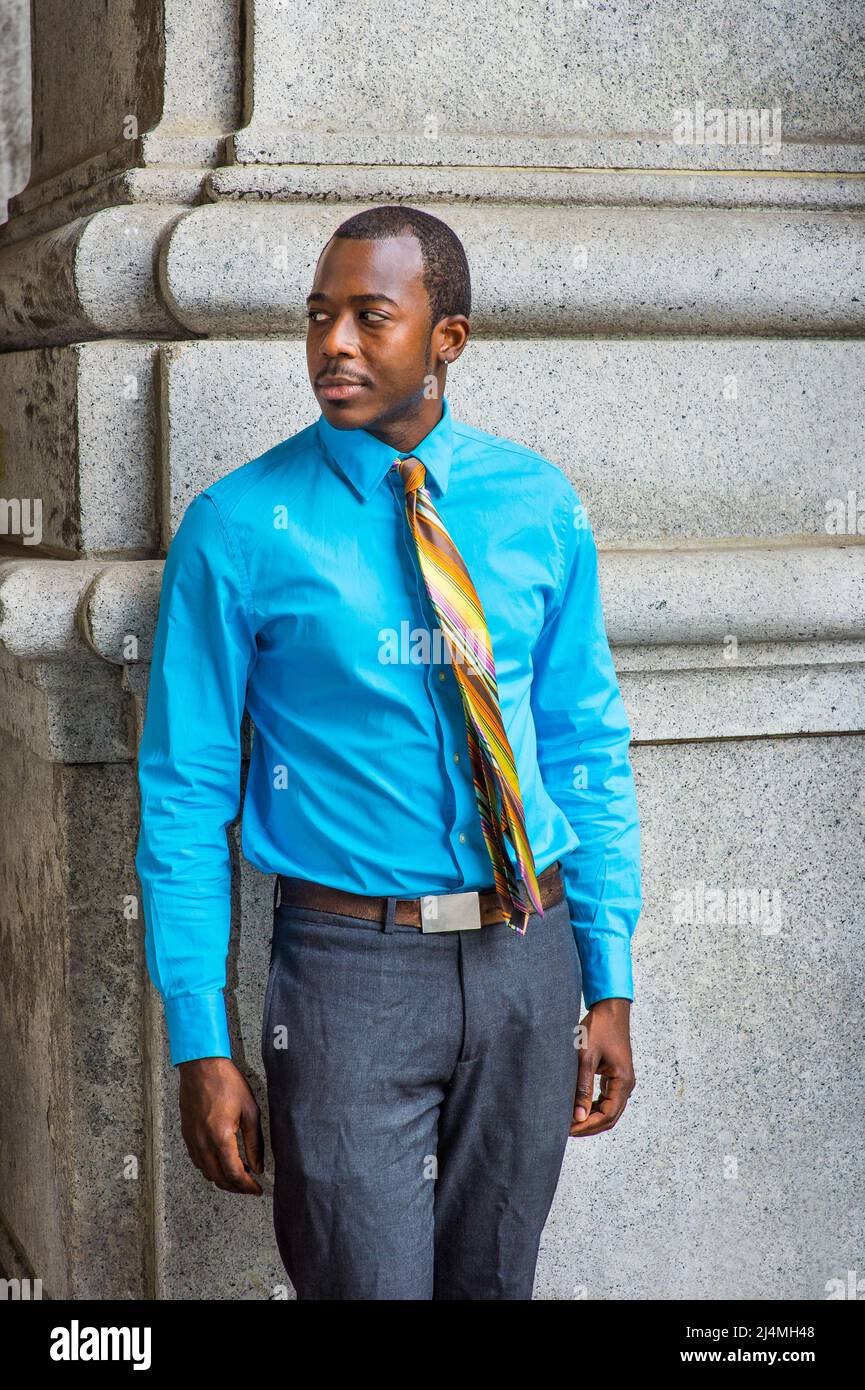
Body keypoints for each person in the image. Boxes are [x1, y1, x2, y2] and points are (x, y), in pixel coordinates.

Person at [134, 204, 642, 1300]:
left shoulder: (538, 506)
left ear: (446, 339)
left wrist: (608, 978)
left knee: (495, 1285)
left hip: (526, 954)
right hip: (344, 976)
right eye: (320, 318)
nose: (334, 346)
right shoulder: (238, 525)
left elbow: (584, 744)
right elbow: (183, 790)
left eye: (371, 317)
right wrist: (199, 1036)